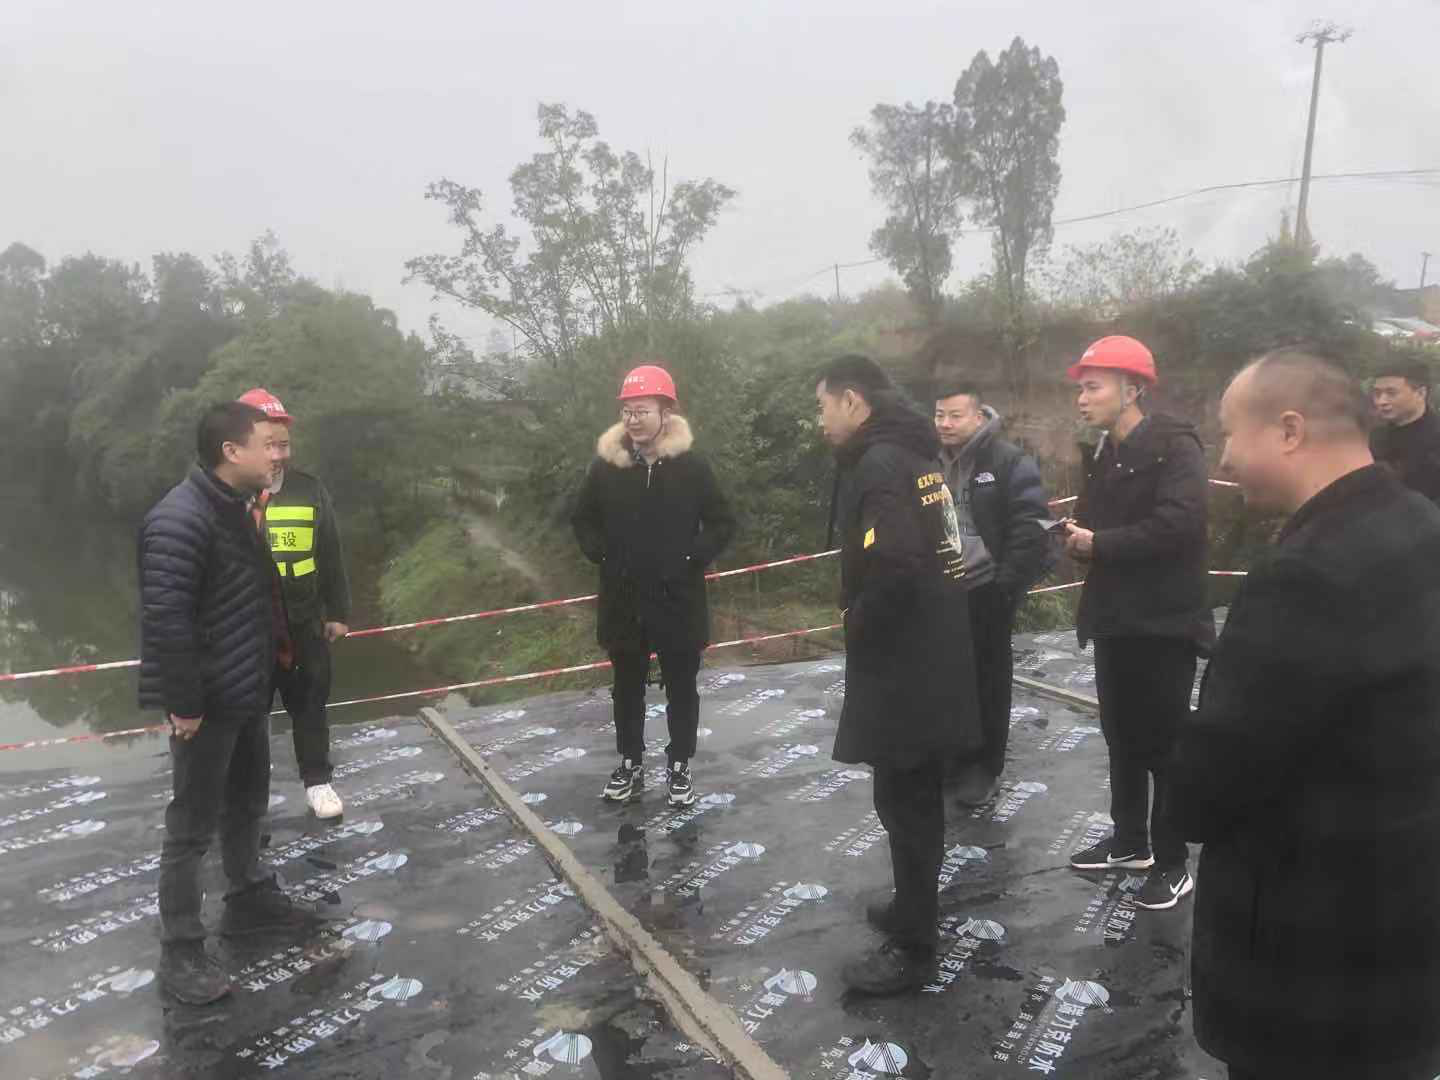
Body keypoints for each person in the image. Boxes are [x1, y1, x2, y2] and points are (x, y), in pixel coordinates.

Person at [1171, 348, 1440, 1080]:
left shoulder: (1306, 574)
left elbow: (1213, 779)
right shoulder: (1420, 522)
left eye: (1231, 432)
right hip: (1407, 935)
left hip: (1311, 961)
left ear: (1289, 430)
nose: (1225, 455)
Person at [139, 402, 321, 1005]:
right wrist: (185, 705)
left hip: (245, 689)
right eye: (268, 445)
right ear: (231, 451)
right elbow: (168, 623)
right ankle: (182, 949)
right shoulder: (180, 520)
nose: (279, 456)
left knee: (246, 801)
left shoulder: (237, 507)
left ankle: (249, 897)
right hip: (207, 701)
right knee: (190, 828)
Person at [817, 355, 981, 995]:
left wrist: (856, 621)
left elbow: (897, 563)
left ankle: (914, 947)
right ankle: (912, 910)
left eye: (823, 405)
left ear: (852, 401)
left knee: (905, 803)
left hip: (905, 662)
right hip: (933, 651)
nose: (820, 419)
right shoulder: (918, 457)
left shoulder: (881, 463)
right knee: (913, 799)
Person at [1061, 335, 1213, 911]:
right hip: (1116, 618)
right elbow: (1101, 526)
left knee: (1163, 744)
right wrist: (1077, 537)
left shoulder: (1176, 447)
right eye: (1080, 388)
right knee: (1121, 737)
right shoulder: (1105, 451)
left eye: (1092, 387)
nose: (1081, 398)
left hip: (1164, 622)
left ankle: (1172, 863)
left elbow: (1180, 524)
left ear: (1132, 389)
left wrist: (1101, 543)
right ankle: (1130, 842)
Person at [571, 364, 736, 808]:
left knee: (682, 687)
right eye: (627, 411)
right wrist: (602, 554)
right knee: (626, 687)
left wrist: (692, 558)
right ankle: (630, 762)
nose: (633, 419)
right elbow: (582, 518)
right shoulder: (606, 467)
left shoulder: (692, 467)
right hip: (623, 599)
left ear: (666, 412)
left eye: (642, 410)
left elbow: (722, 521)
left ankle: (679, 765)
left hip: (677, 599)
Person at [933, 383, 1053, 805]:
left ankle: (984, 768)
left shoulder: (1007, 461)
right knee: (945, 680)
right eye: (939, 415)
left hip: (986, 589)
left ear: (979, 416)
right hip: (939, 592)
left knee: (988, 682)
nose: (946, 424)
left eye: (955, 415)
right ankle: (951, 759)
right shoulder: (927, 460)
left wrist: (1007, 585)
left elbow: (1030, 524)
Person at [238, 389, 352, 821]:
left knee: (310, 705)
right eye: (267, 445)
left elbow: (330, 552)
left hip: (304, 623)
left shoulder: (309, 489)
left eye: (283, 445)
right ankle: (250, 795)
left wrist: (338, 612)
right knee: (247, 716)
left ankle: (318, 782)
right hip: (247, 632)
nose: (277, 455)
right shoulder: (226, 497)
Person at [1369, 358, 1440, 502]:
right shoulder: (1373, 436)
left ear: (1420, 393)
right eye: (1377, 393)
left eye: (1391, 393)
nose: (1381, 401)